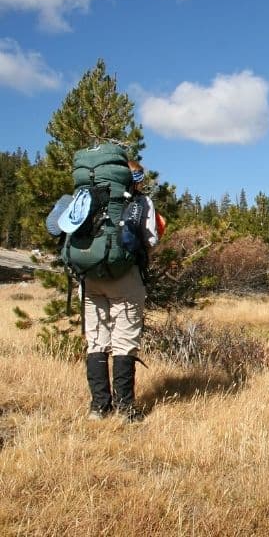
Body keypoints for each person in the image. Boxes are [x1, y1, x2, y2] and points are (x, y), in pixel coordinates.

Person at [84, 160, 159, 422]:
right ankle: (125, 410)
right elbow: (151, 239)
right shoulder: (140, 202)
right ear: (135, 179)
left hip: (91, 277)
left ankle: (99, 407)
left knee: (96, 340)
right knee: (124, 342)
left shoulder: (88, 196)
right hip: (125, 276)